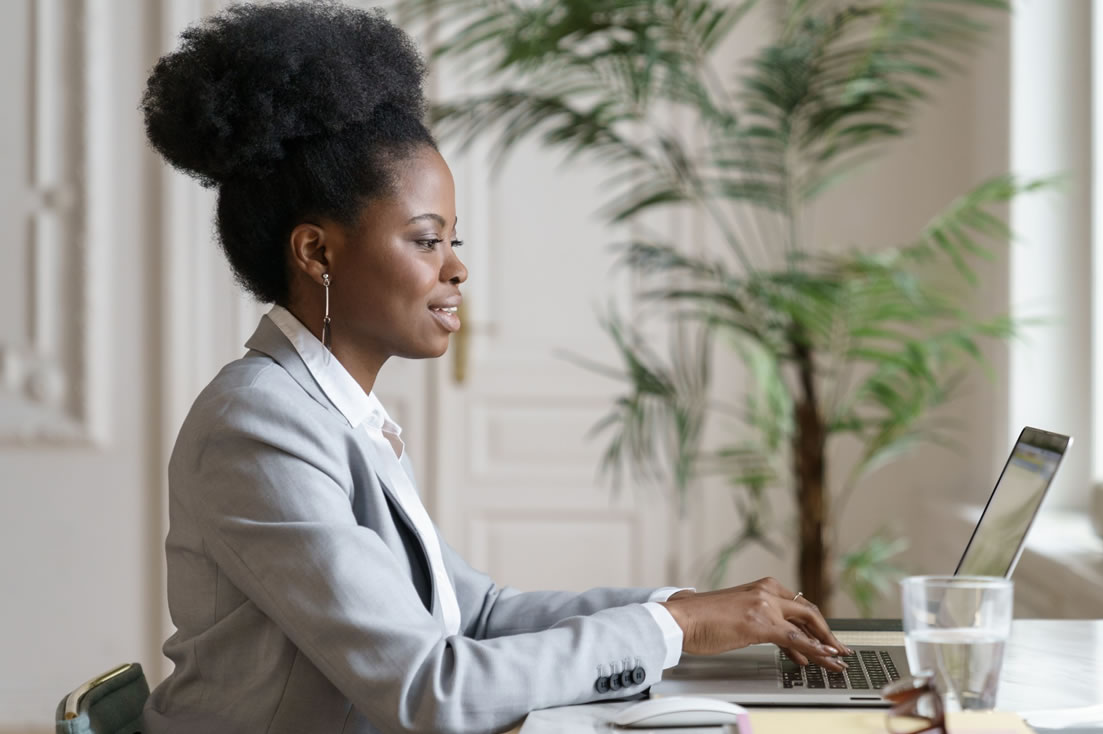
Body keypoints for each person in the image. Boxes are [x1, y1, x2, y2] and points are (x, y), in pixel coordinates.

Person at [139, 3, 849, 733]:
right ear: (317, 252)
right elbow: (429, 688)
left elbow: (476, 612)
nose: (457, 268)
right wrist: (673, 629)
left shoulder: (332, 412)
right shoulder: (258, 425)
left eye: (454, 240)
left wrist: (692, 612)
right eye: (425, 241)